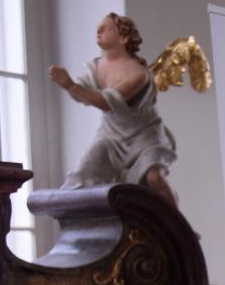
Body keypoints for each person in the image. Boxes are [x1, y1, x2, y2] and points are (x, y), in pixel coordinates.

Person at [49, 13, 178, 206]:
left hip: (144, 138)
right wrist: (72, 87)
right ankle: (86, 218)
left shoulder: (138, 73)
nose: (98, 30)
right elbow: (82, 93)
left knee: (154, 178)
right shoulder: (96, 67)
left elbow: (107, 102)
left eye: (106, 28)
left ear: (123, 38)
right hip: (110, 136)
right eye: (98, 27)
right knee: (83, 175)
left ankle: (176, 221)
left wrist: (70, 85)